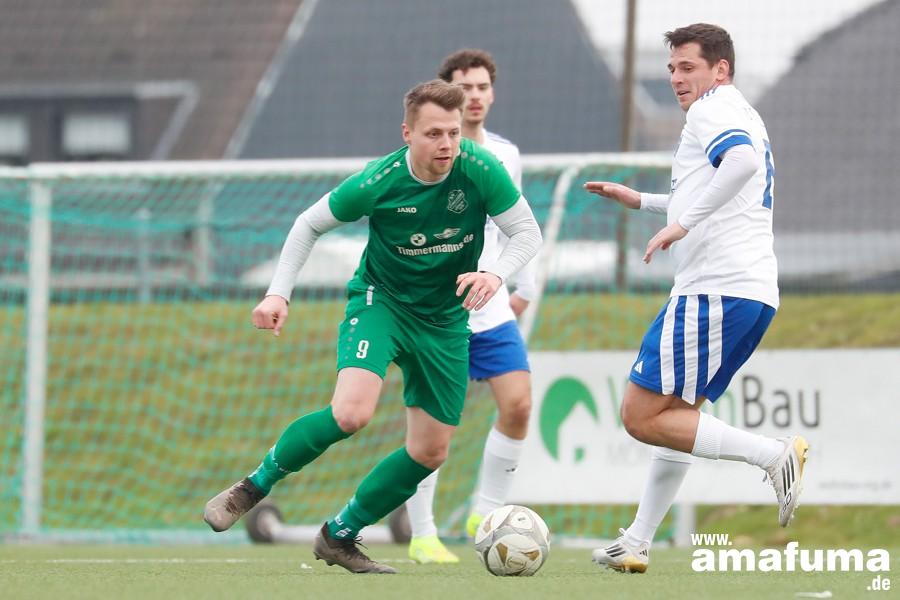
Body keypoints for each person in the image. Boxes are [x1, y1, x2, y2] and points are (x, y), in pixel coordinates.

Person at [203, 79, 542, 574]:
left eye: (453, 133)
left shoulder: (481, 168)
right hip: (381, 304)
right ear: (407, 133)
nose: (447, 144)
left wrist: (494, 273)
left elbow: (527, 233)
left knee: (430, 451)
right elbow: (308, 224)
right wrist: (278, 292)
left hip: (445, 320)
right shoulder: (378, 181)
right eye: (433, 134)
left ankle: (339, 535)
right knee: (351, 413)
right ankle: (253, 487)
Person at [584, 23, 808, 574]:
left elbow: (741, 165)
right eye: (671, 69)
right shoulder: (741, 111)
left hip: (716, 289)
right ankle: (637, 541)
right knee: (677, 416)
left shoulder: (711, 109)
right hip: (749, 291)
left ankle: (773, 454)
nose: (676, 78)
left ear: (719, 69)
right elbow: (725, 184)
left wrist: (682, 224)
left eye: (687, 67)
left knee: (640, 415)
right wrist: (644, 202)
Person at [402, 49, 539, 565]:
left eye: (483, 87)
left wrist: (522, 285)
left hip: (493, 304)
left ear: (492, 93)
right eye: (465, 87)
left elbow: (518, 225)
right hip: (438, 311)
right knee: (433, 429)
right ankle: (423, 534)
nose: (475, 96)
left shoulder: (505, 155)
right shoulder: (429, 156)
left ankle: (486, 514)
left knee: (518, 404)